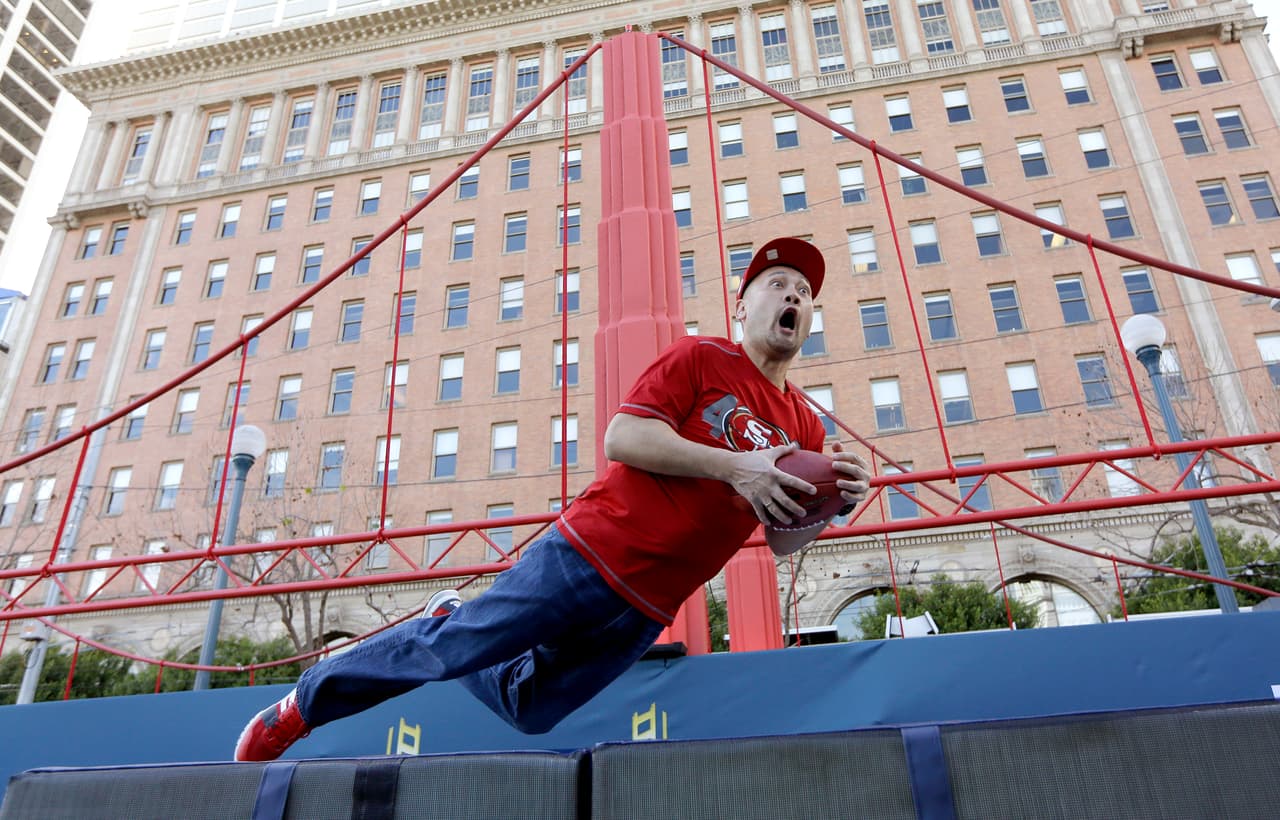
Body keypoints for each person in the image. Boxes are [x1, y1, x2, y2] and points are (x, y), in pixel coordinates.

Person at [235, 236, 871, 762]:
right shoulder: (701, 357)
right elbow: (623, 436)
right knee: (447, 651)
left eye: (805, 293)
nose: (794, 296)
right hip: (588, 554)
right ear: (743, 304)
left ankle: (444, 610)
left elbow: (782, 539)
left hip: (647, 607)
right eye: (778, 284)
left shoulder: (807, 428)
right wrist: (736, 468)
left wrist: (833, 503)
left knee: (529, 710)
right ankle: (304, 705)